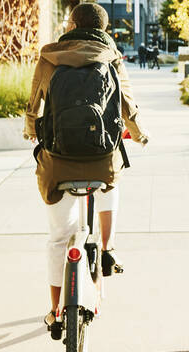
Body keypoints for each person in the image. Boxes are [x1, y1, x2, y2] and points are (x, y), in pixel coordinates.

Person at [24, 3, 149, 329]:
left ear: (70, 24)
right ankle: (107, 249)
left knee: (58, 238)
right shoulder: (110, 56)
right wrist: (137, 134)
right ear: (104, 29)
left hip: (58, 164)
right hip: (100, 161)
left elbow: (34, 100)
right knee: (112, 175)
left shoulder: (50, 56)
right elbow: (127, 103)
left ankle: (55, 312)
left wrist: (28, 127)